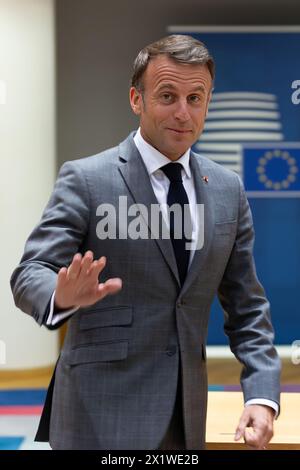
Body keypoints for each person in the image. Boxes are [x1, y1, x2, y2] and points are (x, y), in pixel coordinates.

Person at [10, 34, 280, 450]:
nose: (183, 112)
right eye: (167, 96)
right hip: (97, 414)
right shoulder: (86, 179)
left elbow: (247, 307)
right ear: (137, 99)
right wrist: (60, 295)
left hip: (185, 415)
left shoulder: (229, 190)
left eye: (196, 98)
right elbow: (30, 273)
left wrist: (262, 396)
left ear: (209, 103)